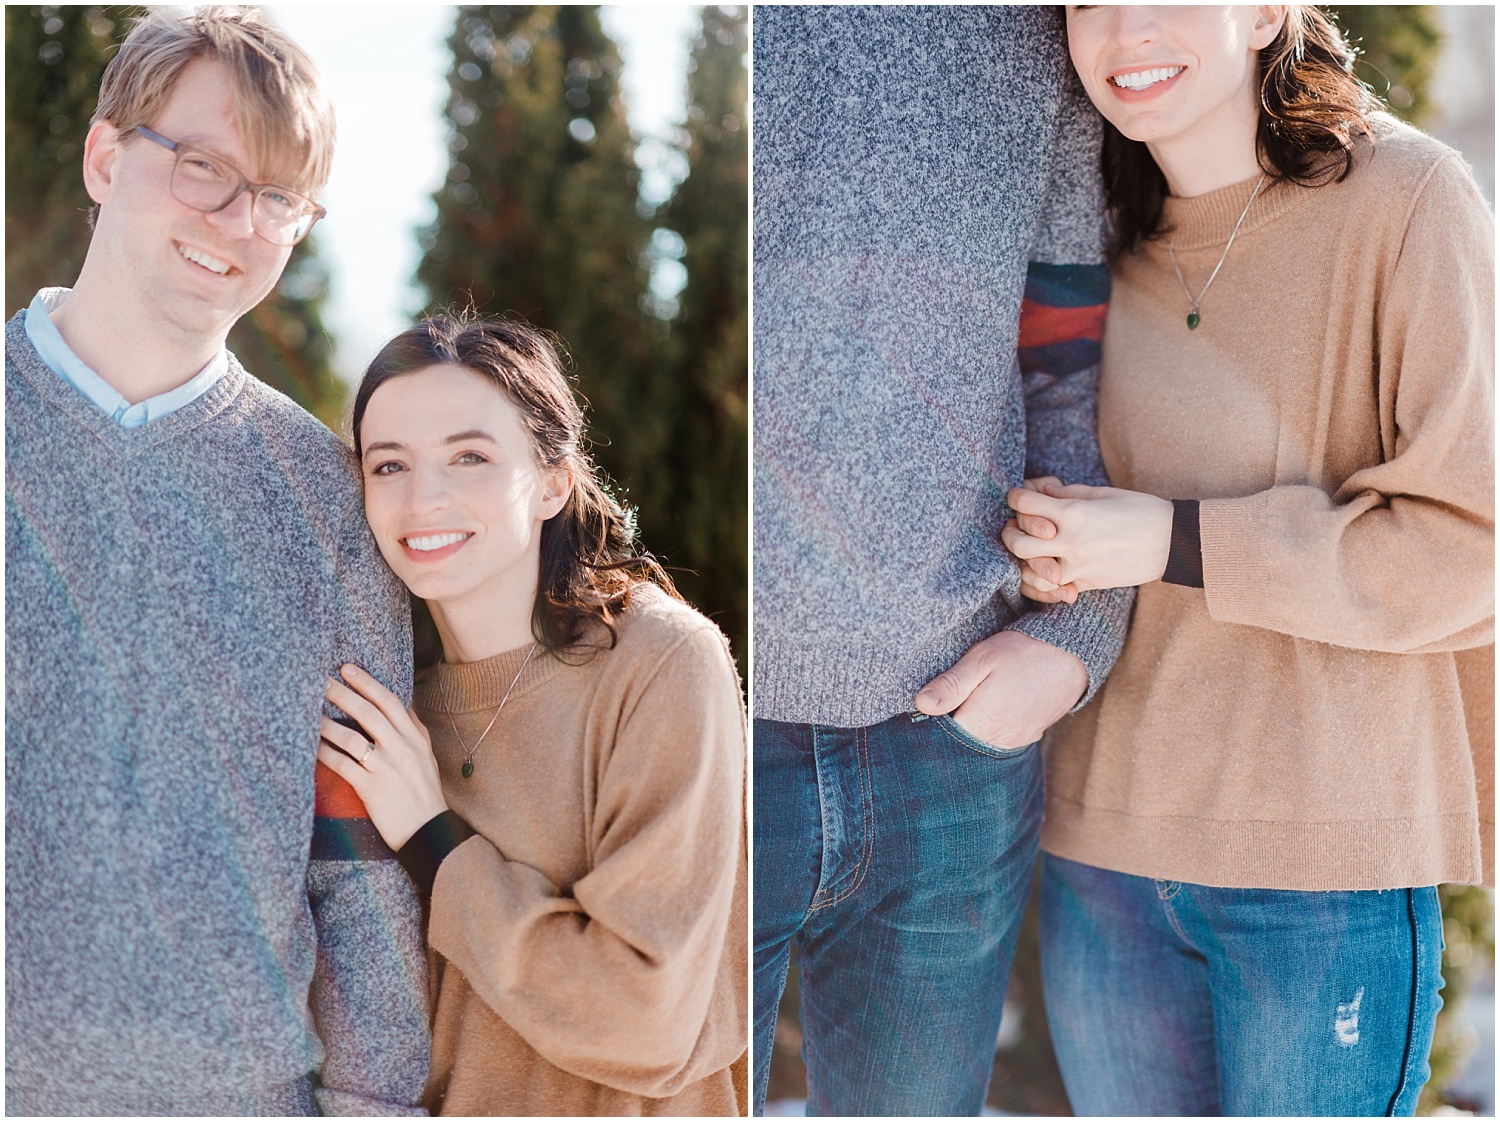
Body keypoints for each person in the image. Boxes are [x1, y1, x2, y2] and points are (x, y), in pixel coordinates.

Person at [1000, 6, 1494, 1115]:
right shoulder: (1082, 242)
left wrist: (1173, 538)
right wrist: (1048, 551)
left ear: (1268, 10)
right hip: (1101, 858)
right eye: (1086, 2)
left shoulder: (1409, 202)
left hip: (1319, 876)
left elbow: (1474, 546)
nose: (1123, 31)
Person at [5, 8, 429, 1114]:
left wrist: (377, 1104)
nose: (239, 221)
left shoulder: (326, 499)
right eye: (203, 167)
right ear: (106, 158)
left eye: (279, 198)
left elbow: (358, 860)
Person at [751, 6, 1135, 1115]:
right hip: (715, 731)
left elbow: (1065, 358)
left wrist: (1073, 635)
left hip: (951, 747)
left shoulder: (1046, 28)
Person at [314, 315, 748, 1116]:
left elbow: (645, 1020)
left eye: (470, 456)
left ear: (552, 481)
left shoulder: (660, 664)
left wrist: (438, 847)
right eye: (390, 465)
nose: (424, 499)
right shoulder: (380, 701)